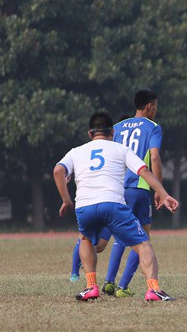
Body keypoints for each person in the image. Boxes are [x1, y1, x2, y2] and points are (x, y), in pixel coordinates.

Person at [53, 111, 178, 302]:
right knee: (143, 243)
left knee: (85, 239)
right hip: (113, 205)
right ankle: (153, 289)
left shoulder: (76, 151)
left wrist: (66, 200)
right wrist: (164, 194)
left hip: (85, 206)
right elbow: (144, 171)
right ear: (112, 132)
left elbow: (58, 171)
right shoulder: (121, 149)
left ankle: (91, 286)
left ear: (90, 133)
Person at [100, 90, 164, 297]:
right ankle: (123, 287)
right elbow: (154, 157)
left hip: (117, 188)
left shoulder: (118, 127)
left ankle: (109, 281)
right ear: (149, 106)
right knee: (142, 238)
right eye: (156, 106)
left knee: (120, 234)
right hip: (139, 186)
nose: (156, 110)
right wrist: (159, 188)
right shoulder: (153, 127)